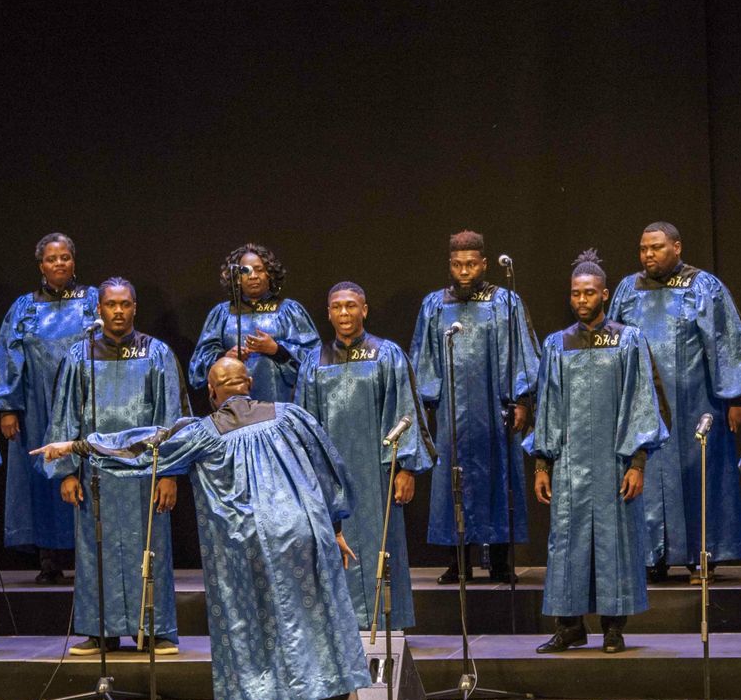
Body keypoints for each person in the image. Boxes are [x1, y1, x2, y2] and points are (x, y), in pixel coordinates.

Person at [33, 356, 378, 700]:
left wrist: (77, 446)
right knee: (327, 624)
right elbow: (328, 470)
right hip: (303, 534)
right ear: (249, 383)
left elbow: (142, 446)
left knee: (243, 629)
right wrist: (335, 527)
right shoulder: (292, 417)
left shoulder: (203, 432)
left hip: (240, 545)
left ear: (212, 393)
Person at [609, 222, 741, 584]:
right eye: (644, 248)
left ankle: (703, 557)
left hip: (697, 403)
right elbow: (612, 342)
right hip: (644, 403)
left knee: (699, 476)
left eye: (657, 247)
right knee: (645, 473)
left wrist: (737, 398)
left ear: (677, 247)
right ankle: (652, 557)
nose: (649, 254)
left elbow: (726, 342)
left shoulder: (702, 286)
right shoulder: (628, 289)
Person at [527, 251, 668, 655]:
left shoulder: (628, 340)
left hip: (613, 463)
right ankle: (569, 625)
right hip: (569, 465)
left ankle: (612, 627)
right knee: (566, 543)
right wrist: (542, 465)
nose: (582, 300)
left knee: (614, 543)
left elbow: (641, 401)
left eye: (589, 293)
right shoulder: (557, 345)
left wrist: (637, 463)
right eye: (576, 294)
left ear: (604, 294)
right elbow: (548, 407)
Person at [45, 277, 186, 655]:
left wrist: (169, 472)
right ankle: (98, 631)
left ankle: (155, 630)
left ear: (135, 308)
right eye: (111, 304)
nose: (118, 311)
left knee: (150, 547)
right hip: (96, 473)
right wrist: (67, 472)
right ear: (99, 309)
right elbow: (66, 417)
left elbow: (172, 416)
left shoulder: (157, 353)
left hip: (144, 472)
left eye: (125, 303)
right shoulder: (81, 356)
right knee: (95, 549)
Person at [297, 281, 434, 632]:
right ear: (328, 313)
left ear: (365, 310)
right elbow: (303, 423)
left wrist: (405, 470)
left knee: (382, 546)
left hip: (377, 474)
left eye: (351, 306)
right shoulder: (314, 361)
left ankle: (388, 622)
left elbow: (405, 411)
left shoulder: (386, 355)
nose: (345, 313)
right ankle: (341, 628)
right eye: (338, 307)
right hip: (331, 478)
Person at [410, 230, 540, 583]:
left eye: (471, 264)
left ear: (484, 264)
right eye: (457, 265)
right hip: (452, 413)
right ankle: (458, 562)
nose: (464, 271)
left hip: (495, 410)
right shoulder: (434, 305)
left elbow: (522, 353)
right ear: (449, 265)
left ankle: (500, 561)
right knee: (453, 480)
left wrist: (521, 400)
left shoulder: (505, 302)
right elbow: (424, 357)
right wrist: (427, 402)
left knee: (500, 480)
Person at [0, 233, 98, 584]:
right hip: (37, 405)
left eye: (65, 257)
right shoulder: (25, 306)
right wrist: (7, 407)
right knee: (42, 473)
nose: (59, 263)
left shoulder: (93, 300)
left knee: (84, 470)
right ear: (41, 266)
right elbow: (8, 355)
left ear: (74, 261)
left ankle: (88, 556)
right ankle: (49, 558)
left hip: (85, 402)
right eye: (52, 259)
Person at [188, 243, 319, 404]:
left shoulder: (289, 310)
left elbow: (315, 359)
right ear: (236, 277)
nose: (253, 276)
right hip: (234, 409)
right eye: (246, 271)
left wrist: (277, 350)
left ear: (269, 274)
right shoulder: (222, 314)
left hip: (280, 406)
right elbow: (197, 370)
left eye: (259, 269)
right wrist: (224, 357)